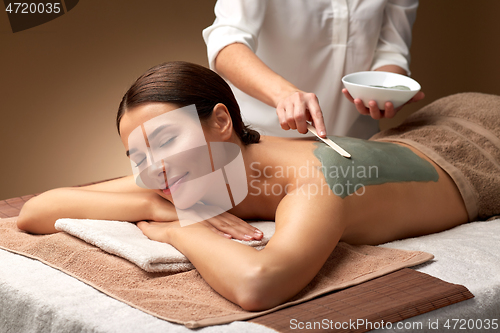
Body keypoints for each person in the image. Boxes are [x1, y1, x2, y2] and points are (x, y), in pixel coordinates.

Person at [17, 62, 500, 312]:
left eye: (165, 141)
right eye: (137, 156)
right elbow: (37, 211)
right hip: (412, 138)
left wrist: (179, 232)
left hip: (481, 145)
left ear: (221, 121)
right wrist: (162, 208)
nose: (153, 169)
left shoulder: (317, 180)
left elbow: (258, 284)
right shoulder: (184, 176)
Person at [203, 0, 424, 140]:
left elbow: (391, 49)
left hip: (354, 140)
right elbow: (227, 43)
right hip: (261, 139)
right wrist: (284, 94)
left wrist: (384, 91)